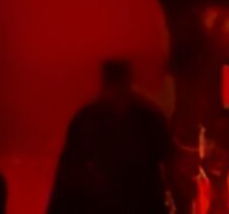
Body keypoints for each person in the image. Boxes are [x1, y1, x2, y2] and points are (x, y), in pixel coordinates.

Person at [47, 58, 189, 213]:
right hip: (137, 205)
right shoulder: (148, 115)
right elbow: (172, 170)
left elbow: (67, 176)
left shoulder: (87, 118)